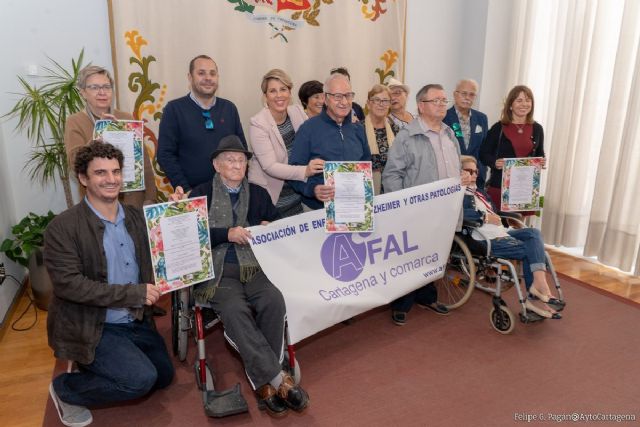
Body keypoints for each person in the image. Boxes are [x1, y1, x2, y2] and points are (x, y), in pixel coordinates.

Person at [171, 135, 309, 418]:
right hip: (219, 271)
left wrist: (271, 226)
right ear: (216, 165)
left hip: (255, 266)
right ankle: (276, 379)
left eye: (242, 160)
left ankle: (265, 382)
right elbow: (186, 237)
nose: (237, 165)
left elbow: (277, 223)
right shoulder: (200, 194)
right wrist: (226, 233)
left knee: (273, 299)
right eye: (230, 160)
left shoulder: (257, 193)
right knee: (234, 309)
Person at [44, 142, 174, 427]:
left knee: (164, 377)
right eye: (100, 172)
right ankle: (66, 388)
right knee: (140, 380)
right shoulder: (62, 228)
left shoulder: (138, 218)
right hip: (95, 324)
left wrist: (179, 216)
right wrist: (134, 293)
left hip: (135, 320)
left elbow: (164, 254)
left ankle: (105, 364)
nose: (111, 179)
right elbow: (69, 285)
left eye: (115, 171)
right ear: (83, 179)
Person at [383, 83, 461, 325]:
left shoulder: (449, 134)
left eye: (443, 101)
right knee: (410, 258)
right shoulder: (407, 136)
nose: (441, 105)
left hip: (446, 210)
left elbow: (456, 167)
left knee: (435, 255)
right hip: (416, 212)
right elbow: (391, 175)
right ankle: (402, 304)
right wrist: (402, 208)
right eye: (435, 100)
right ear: (421, 105)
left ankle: (428, 296)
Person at [460, 155, 564, 318]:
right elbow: (458, 215)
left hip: (502, 232)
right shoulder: (457, 194)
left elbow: (495, 211)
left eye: (475, 171)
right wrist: (484, 217)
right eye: (469, 171)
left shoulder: (479, 192)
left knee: (533, 233)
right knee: (532, 251)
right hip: (486, 239)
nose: (473, 175)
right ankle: (537, 295)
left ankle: (538, 288)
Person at [64, 65, 157, 207]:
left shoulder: (126, 118)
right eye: (94, 87)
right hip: (98, 203)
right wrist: (99, 133)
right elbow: (74, 163)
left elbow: (144, 162)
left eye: (107, 87)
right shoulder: (75, 121)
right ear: (83, 92)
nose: (102, 92)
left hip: (133, 201)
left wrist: (150, 198)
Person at [158, 55, 246, 192]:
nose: (208, 78)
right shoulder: (174, 110)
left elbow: (242, 151)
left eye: (212, 73)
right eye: (201, 73)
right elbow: (165, 155)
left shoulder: (229, 109)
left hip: (231, 192)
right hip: (193, 194)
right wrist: (187, 190)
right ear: (190, 77)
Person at [289, 73, 372, 210]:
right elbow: (292, 172)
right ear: (326, 99)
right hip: (318, 210)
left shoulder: (358, 129)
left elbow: (366, 164)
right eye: (338, 96)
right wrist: (313, 189)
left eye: (348, 95)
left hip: (354, 208)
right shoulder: (308, 129)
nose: (344, 102)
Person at [248, 69, 324, 217]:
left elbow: (315, 137)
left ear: (289, 93)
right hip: (272, 195)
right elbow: (270, 166)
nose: (279, 95)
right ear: (265, 96)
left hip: (298, 192)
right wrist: (305, 171)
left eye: (283, 89)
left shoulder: (297, 112)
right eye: (272, 91)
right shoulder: (257, 124)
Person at [479, 85, 545, 209]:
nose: (524, 104)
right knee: (499, 226)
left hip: (525, 188)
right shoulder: (498, 128)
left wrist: (541, 161)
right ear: (510, 105)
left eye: (527, 100)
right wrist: (495, 162)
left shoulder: (537, 128)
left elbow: (540, 153)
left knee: (519, 226)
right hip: (500, 186)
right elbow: (483, 154)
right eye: (519, 100)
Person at [444, 79, 489, 188]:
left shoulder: (481, 118)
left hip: (476, 177)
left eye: (471, 94)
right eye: (464, 93)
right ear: (455, 94)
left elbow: (485, 149)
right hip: (453, 177)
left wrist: (481, 170)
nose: (467, 97)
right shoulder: (444, 116)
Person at [364, 84, 398, 194]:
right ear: (369, 104)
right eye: (376, 100)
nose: (381, 104)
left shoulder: (396, 130)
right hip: (367, 190)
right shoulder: (357, 130)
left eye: (385, 101)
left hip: (392, 190)